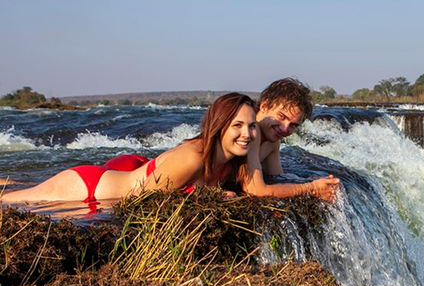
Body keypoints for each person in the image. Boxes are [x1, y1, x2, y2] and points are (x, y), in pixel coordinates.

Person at [1, 92, 259, 205]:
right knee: (9, 201)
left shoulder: (230, 161)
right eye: (238, 125)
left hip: (106, 187)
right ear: (219, 125)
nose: (247, 134)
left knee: (16, 189)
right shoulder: (193, 157)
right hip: (88, 189)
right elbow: (147, 200)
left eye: (252, 125)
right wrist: (211, 196)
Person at [241, 78, 340, 202]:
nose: (284, 128)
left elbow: (278, 179)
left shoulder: (272, 142)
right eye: (281, 116)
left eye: (293, 125)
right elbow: (256, 191)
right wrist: (312, 187)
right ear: (264, 105)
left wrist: (323, 185)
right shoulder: (250, 131)